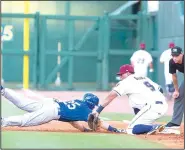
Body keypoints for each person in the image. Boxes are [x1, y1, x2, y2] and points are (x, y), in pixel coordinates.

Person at [1, 86, 124, 133]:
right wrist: (115, 129)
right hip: (52, 111)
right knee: (26, 120)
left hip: (49, 103)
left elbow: (73, 122)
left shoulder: (78, 103)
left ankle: (4, 91)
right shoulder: (86, 111)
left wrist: (84, 130)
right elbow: (101, 123)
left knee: (23, 103)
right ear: (92, 104)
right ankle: (3, 121)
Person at [88, 64, 168, 135]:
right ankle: (158, 128)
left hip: (152, 107)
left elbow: (111, 96)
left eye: (121, 74)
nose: (120, 77)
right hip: (163, 105)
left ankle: (154, 126)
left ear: (128, 73)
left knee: (131, 129)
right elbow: (160, 89)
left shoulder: (127, 81)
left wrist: (98, 111)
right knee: (138, 123)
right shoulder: (144, 78)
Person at [166, 46, 184, 128]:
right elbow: (174, 76)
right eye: (173, 56)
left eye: (176, 55)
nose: (174, 58)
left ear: (182, 54)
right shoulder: (172, 62)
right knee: (178, 96)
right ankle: (175, 122)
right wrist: (176, 90)